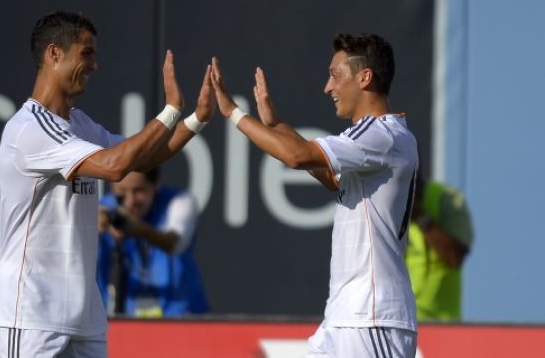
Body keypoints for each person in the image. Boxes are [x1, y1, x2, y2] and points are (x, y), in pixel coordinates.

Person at [0, 11, 216, 358]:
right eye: (86, 53)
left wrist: (196, 119)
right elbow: (116, 166)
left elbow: (140, 160)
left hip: (84, 314)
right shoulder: (29, 129)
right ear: (54, 54)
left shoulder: (79, 124)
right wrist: (170, 111)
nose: (94, 65)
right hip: (33, 310)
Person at [209, 34, 418, 357]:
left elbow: (296, 156)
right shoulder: (377, 139)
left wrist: (234, 113)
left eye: (335, 75)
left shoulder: (380, 133)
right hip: (344, 315)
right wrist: (276, 124)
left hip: (371, 316)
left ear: (365, 77)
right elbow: (329, 176)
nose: (327, 87)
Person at [96, 167, 209, 318]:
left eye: (139, 191)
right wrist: (90, 231)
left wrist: (138, 229)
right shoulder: (99, 210)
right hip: (119, 322)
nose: (130, 202)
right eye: (121, 192)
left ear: (156, 183)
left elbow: (175, 244)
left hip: (181, 320)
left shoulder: (179, 201)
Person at [405, 176, 473, 322]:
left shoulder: (446, 199)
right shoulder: (382, 203)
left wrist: (420, 216)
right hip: (399, 319)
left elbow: (454, 257)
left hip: (440, 325)